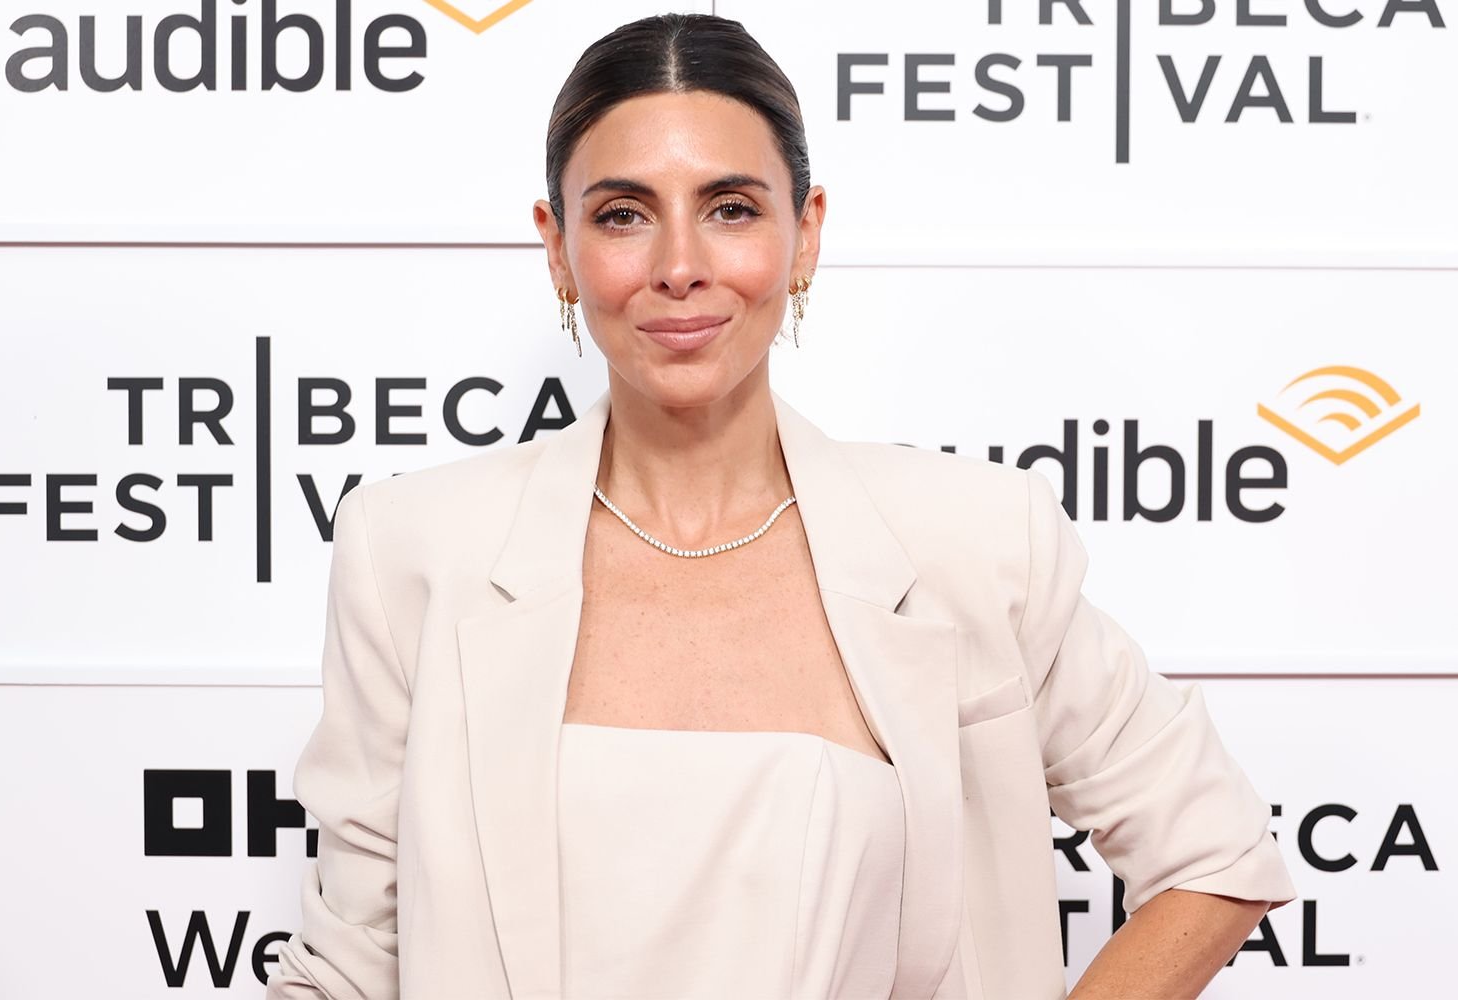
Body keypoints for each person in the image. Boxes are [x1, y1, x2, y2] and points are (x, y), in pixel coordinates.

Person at [267, 13, 1295, 1000]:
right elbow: (355, 965)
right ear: (557, 247)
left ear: (805, 235)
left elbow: (1214, 853)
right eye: (623, 214)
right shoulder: (412, 552)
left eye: (731, 208)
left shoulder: (976, 545)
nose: (679, 267)